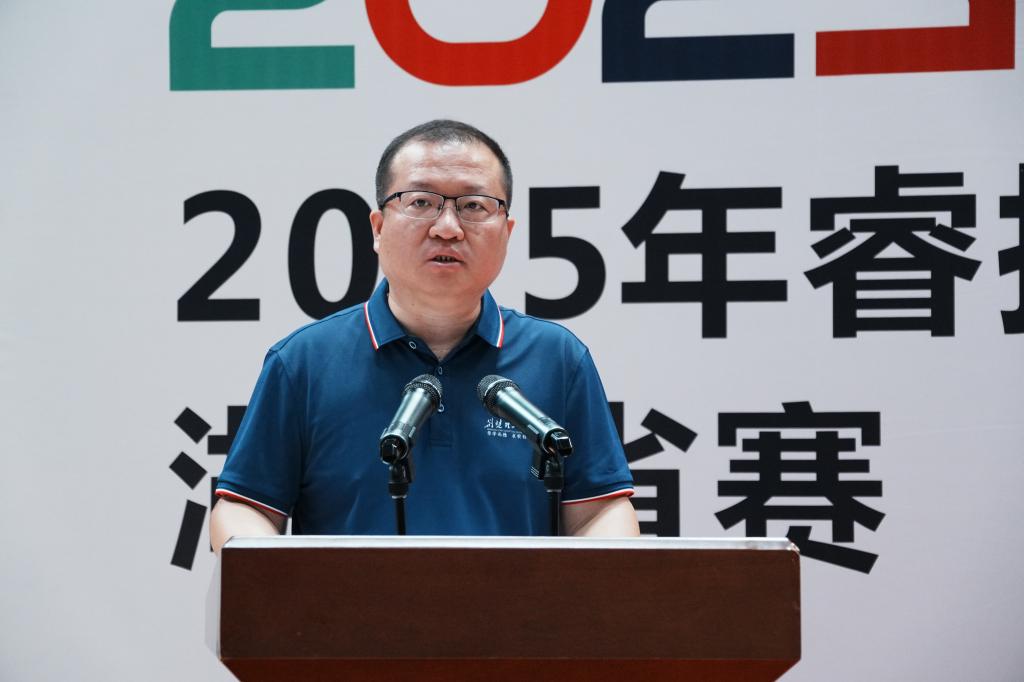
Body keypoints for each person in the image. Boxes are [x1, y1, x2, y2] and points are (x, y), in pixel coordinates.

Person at [211, 120, 639, 553]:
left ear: (507, 233)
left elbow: (599, 511)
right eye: (421, 202)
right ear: (378, 228)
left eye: (474, 206)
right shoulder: (304, 362)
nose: (447, 227)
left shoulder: (557, 358)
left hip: (519, 602)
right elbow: (245, 508)